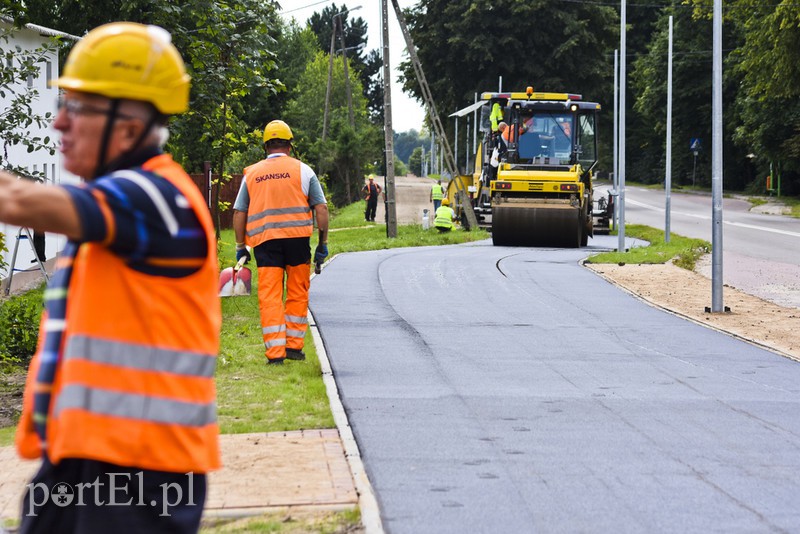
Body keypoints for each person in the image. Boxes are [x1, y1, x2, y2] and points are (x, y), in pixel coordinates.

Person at [2, 22, 221, 533]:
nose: (59, 123)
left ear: (128, 126)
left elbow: (17, 201)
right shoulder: (127, 202)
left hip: (138, 476)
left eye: (77, 108)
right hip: (86, 460)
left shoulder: (155, 198)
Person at [232, 120, 329, 365]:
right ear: (290, 144)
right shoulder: (304, 170)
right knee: (297, 292)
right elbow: (321, 208)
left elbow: (238, 212)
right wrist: (322, 243)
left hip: (265, 243)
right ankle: (294, 347)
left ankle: (275, 355)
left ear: (265, 146)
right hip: (298, 242)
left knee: (271, 295)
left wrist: (240, 246)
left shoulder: (252, 173)